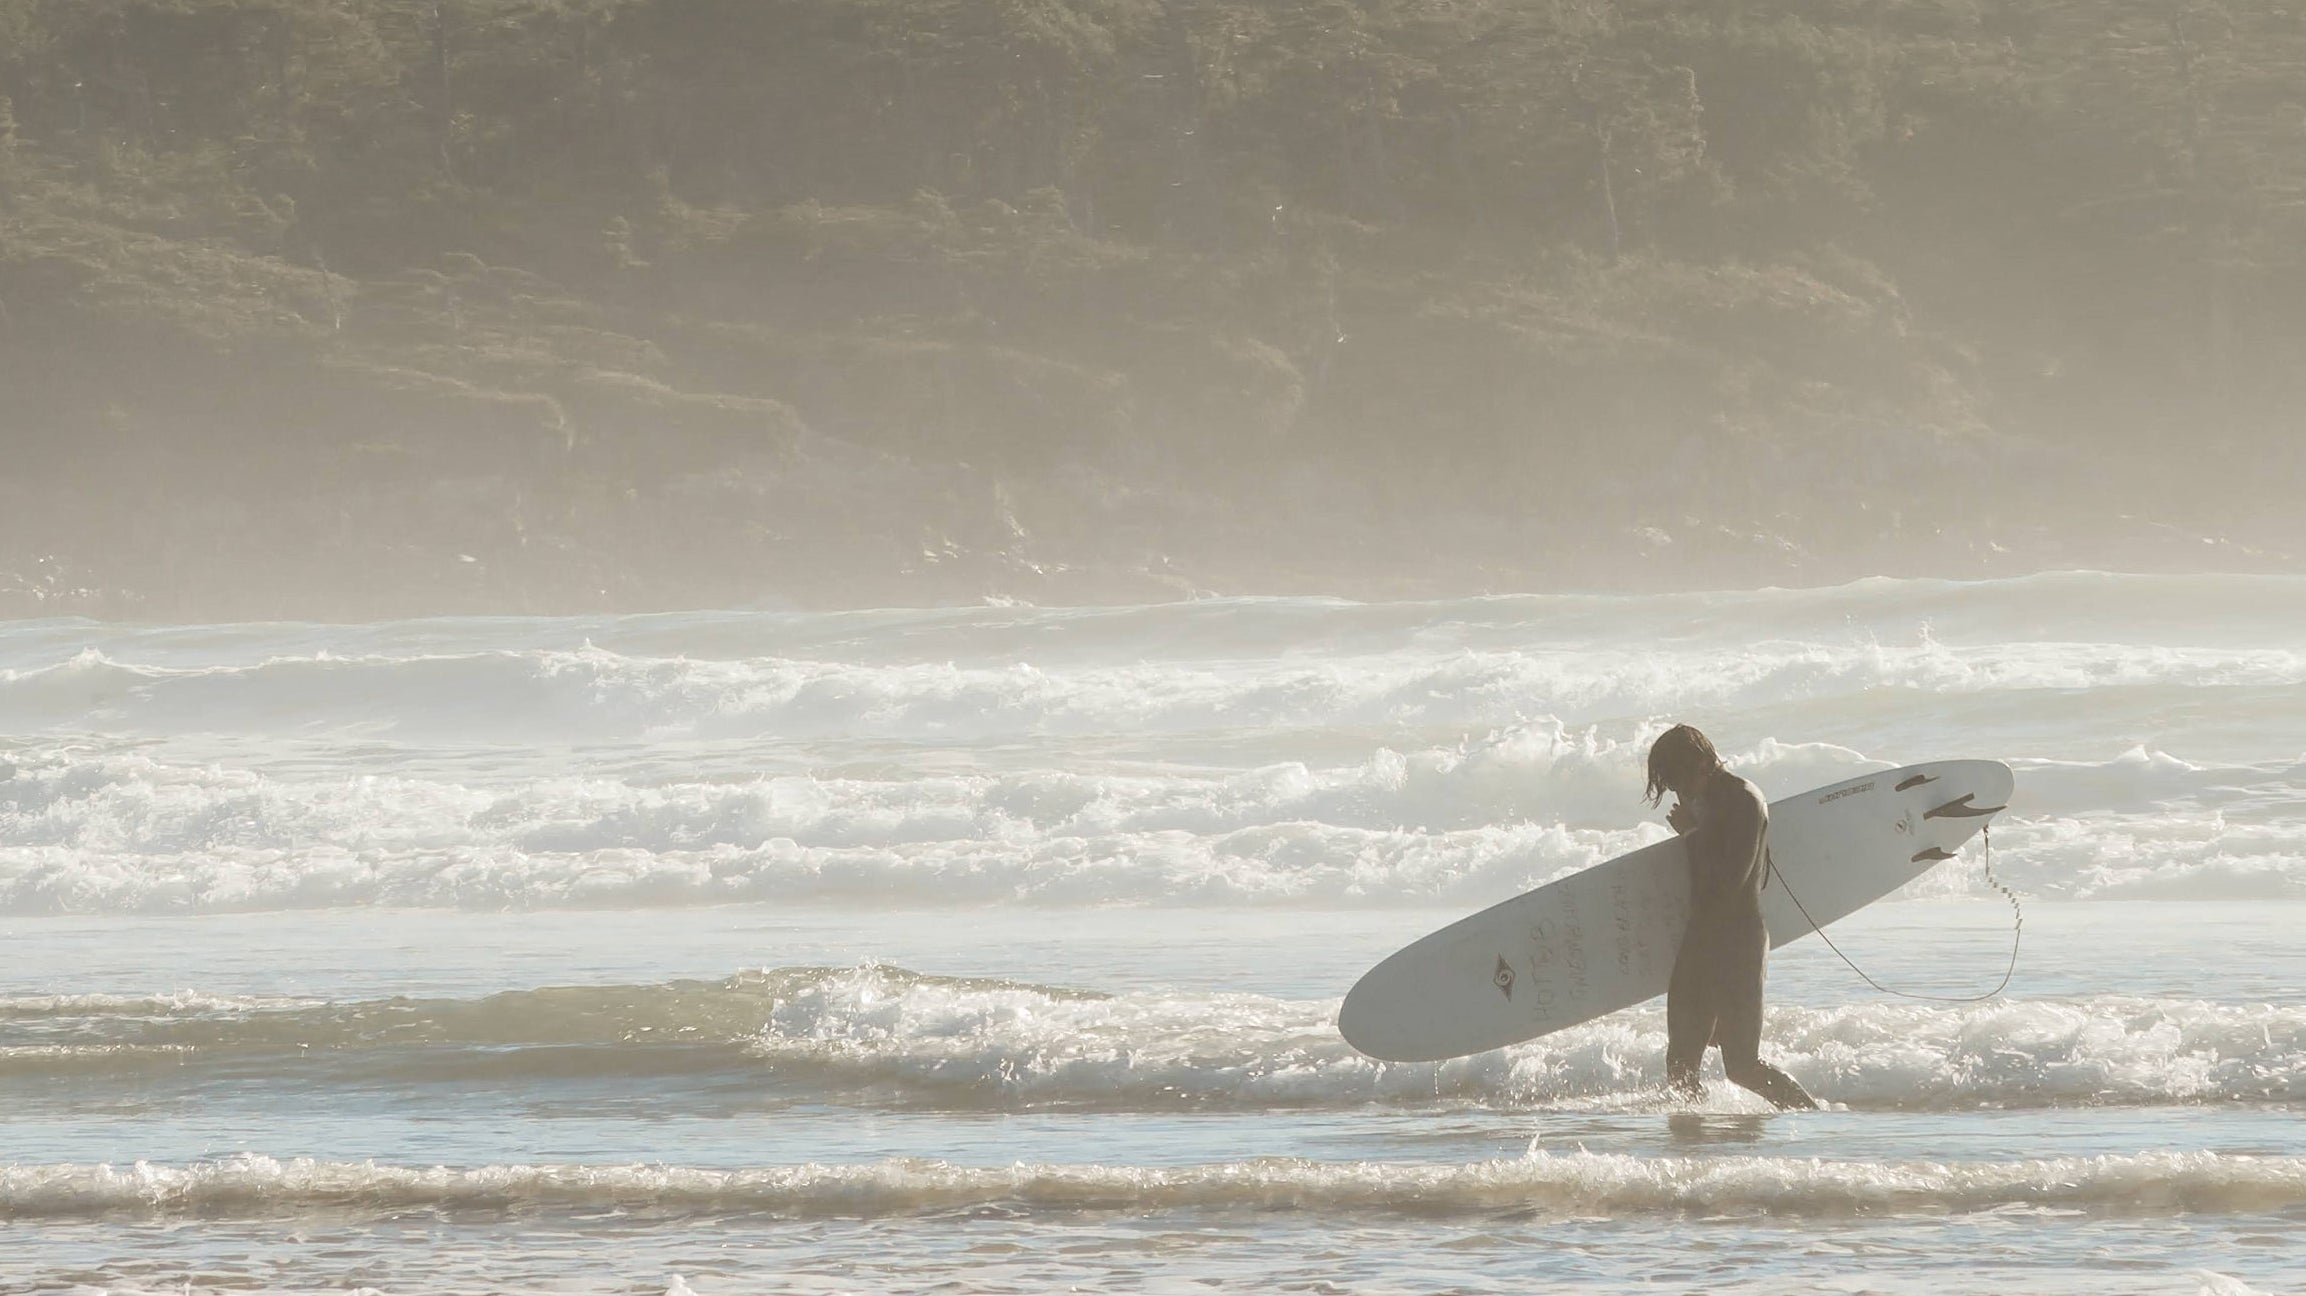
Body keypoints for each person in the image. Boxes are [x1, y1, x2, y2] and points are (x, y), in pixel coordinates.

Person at [1645, 724, 1818, 1110]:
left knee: (1742, 1066)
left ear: (1704, 763)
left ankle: (1812, 1121)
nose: (1679, 792)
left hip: (1738, 946)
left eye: (1679, 781)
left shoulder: (1743, 800)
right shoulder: (1704, 802)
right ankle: (1694, 1145)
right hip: (1701, 942)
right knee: (1680, 1062)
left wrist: (1690, 834)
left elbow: (1729, 882)